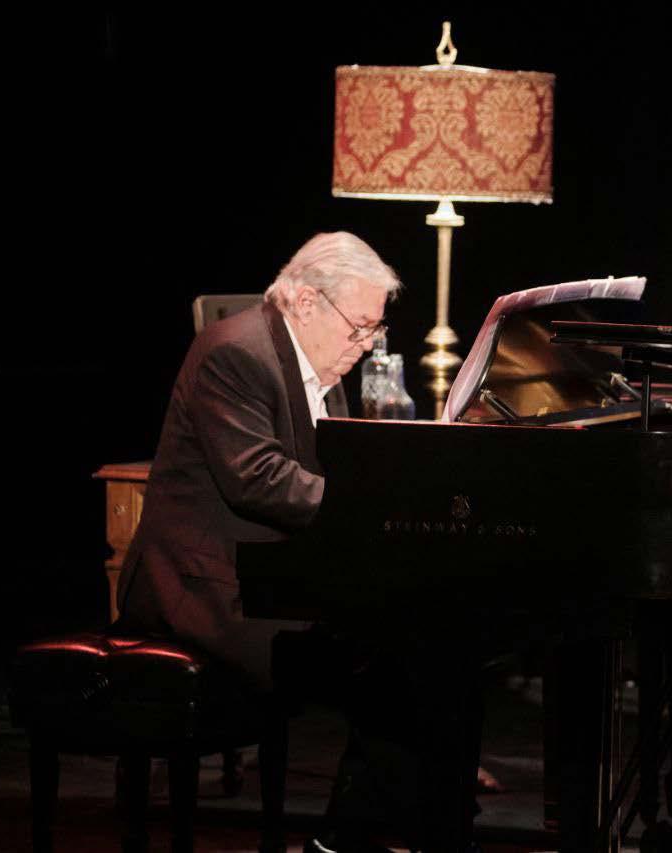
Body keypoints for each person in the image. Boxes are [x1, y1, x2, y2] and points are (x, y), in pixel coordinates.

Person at [116, 232, 481, 852]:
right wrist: (379, 512)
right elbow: (259, 479)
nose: (366, 345)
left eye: (374, 329)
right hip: (209, 593)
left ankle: (405, 833)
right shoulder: (234, 353)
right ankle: (360, 839)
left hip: (273, 578)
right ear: (307, 301)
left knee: (443, 647)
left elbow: (332, 473)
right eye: (360, 327)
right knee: (404, 665)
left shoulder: (317, 359)